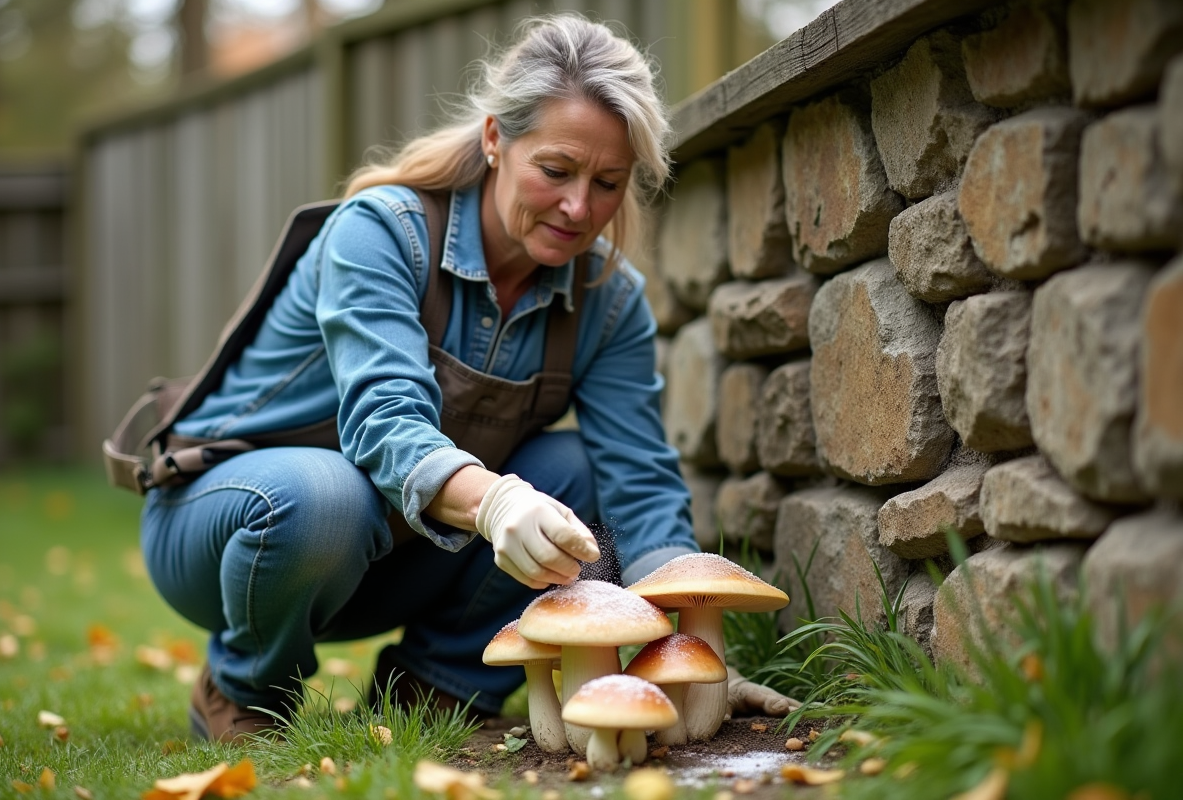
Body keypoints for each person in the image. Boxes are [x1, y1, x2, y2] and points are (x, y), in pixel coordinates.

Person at [140, 14, 792, 744]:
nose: (580, 208)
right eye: (555, 171)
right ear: (493, 141)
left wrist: (693, 658)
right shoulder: (380, 232)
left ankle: (435, 686)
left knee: (577, 473)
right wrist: (496, 502)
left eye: (607, 182)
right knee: (326, 497)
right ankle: (245, 689)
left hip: (395, 558)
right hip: (238, 530)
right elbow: (384, 419)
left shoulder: (608, 303)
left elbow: (638, 484)